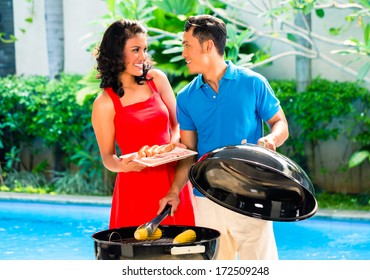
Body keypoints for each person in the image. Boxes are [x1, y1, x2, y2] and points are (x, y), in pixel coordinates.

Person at [158, 15, 289, 260]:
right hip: (207, 198)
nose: (183, 52)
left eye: (187, 45)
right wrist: (175, 190)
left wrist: (272, 139)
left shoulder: (253, 83)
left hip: (251, 193)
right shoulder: (186, 97)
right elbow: (189, 152)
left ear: (208, 45)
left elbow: (280, 123)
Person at [91, 19, 194, 229]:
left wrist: (174, 144)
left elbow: (177, 125)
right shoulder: (104, 103)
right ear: (116, 53)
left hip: (173, 180)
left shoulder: (157, 79)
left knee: (183, 251)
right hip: (135, 186)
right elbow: (108, 158)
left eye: (144, 49)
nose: (143, 57)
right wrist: (123, 165)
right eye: (135, 50)